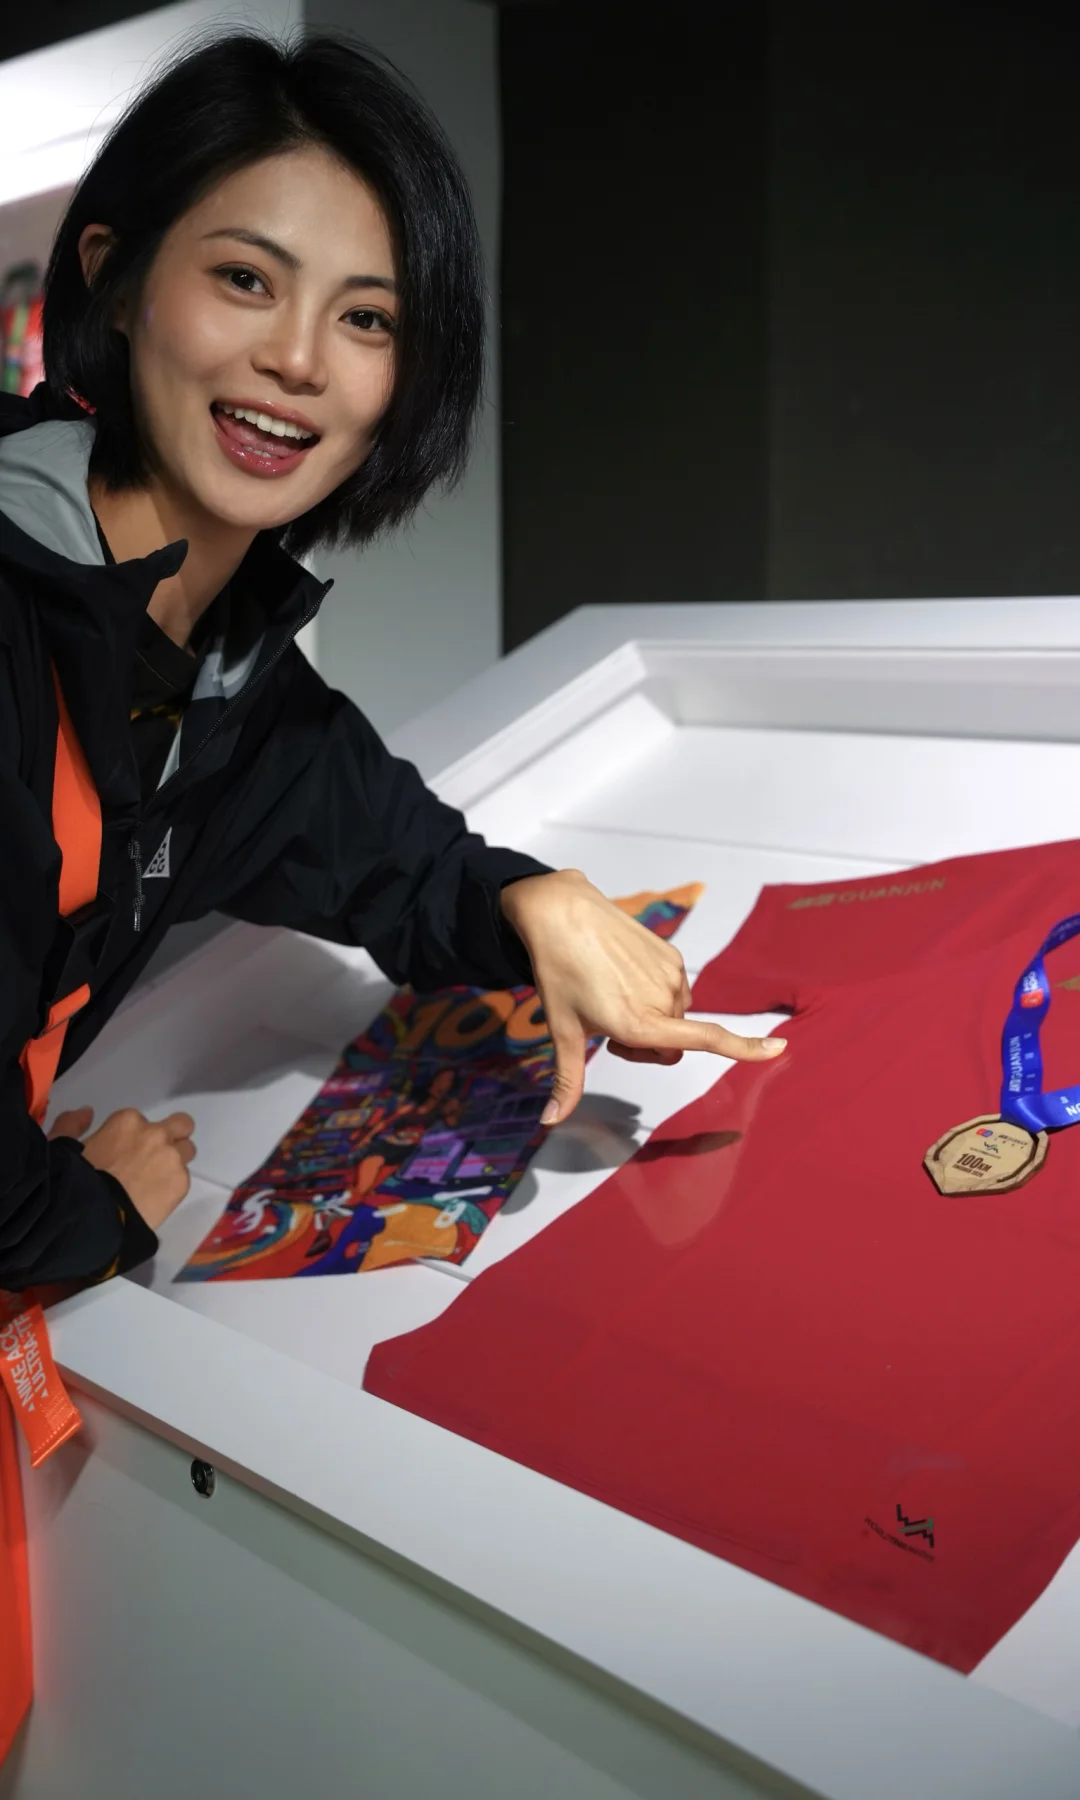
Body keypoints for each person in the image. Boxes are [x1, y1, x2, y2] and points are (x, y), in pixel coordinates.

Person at [0, 30, 785, 1293]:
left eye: (366, 318)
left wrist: (532, 902)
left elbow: (395, 861)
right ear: (115, 280)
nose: (300, 361)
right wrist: (89, 1210)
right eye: (246, 279)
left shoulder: (230, 676)